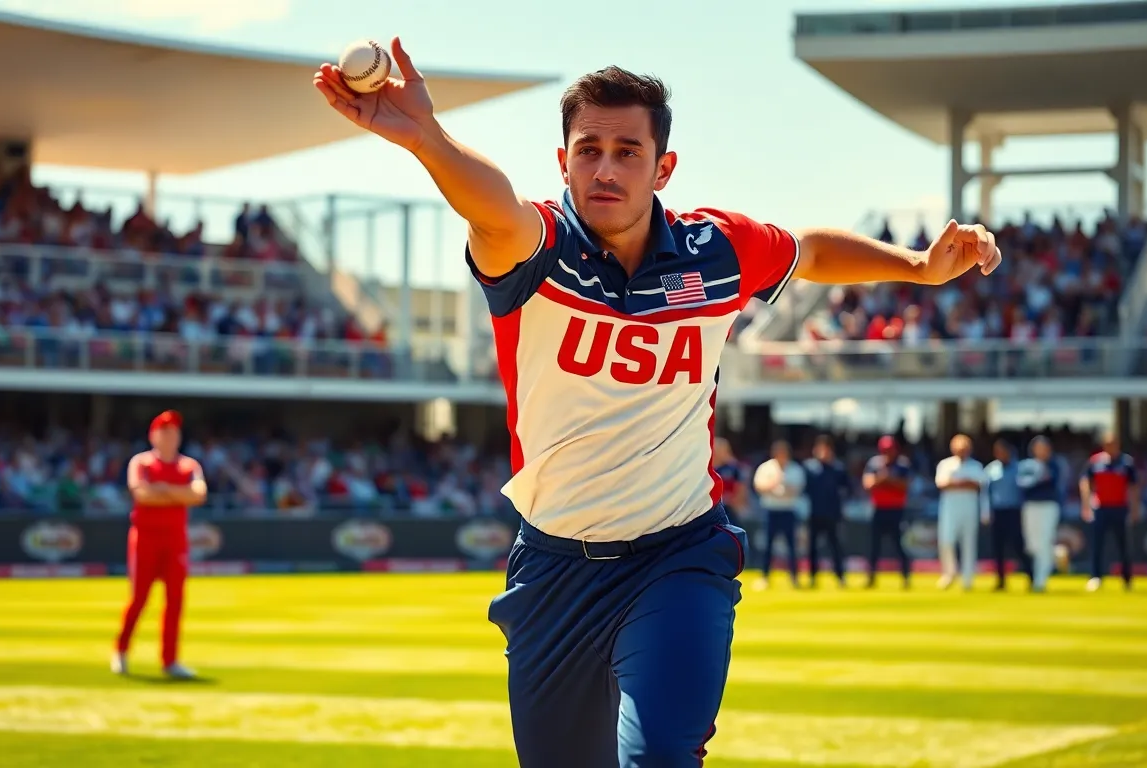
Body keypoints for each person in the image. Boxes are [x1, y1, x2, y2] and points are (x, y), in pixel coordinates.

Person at [313, 43, 1001, 767]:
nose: (605, 169)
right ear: (564, 162)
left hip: (679, 555)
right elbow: (491, 206)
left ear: (663, 168)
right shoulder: (535, 248)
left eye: (627, 152)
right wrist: (426, 136)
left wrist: (918, 267)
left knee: (661, 757)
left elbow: (811, 252)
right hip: (552, 570)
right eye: (589, 151)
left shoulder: (717, 251)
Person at [112, 410, 207, 679]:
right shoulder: (141, 462)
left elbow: (199, 495)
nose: (170, 437)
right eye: (165, 432)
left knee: (175, 599)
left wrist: (163, 490)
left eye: (174, 432)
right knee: (139, 598)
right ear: (153, 436)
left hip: (175, 538)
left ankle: (170, 660)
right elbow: (142, 495)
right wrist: (179, 495)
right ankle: (121, 650)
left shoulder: (189, 465)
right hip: (145, 537)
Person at [1080, 431, 1140, 592]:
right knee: (1097, 545)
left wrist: (1135, 509)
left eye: (1113, 444)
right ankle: (1096, 577)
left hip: (1120, 508)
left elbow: (1133, 487)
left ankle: (1127, 578)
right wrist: (1086, 505)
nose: (1110, 447)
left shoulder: (1126, 463)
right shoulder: (1095, 462)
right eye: (1107, 444)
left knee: (1124, 545)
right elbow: (1085, 482)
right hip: (1101, 508)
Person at [933, 434, 985, 591]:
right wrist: (964, 482)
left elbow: (977, 485)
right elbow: (942, 484)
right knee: (946, 540)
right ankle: (949, 573)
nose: (962, 452)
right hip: (950, 509)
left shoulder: (976, 466)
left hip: (969, 509)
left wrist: (956, 483)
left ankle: (967, 578)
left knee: (969, 543)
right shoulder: (945, 464)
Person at [863, 435, 915, 589]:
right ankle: (871, 578)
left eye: (890, 450)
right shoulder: (874, 464)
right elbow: (868, 484)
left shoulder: (902, 464)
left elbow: (906, 485)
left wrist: (889, 480)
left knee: (899, 545)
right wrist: (883, 479)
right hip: (878, 509)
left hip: (896, 510)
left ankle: (906, 577)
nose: (887, 453)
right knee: (874, 546)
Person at [753, 440, 806, 589]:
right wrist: (774, 485)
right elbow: (759, 486)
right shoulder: (766, 468)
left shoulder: (795, 469)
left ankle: (794, 577)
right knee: (768, 545)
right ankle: (765, 576)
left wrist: (782, 488)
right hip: (771, 510)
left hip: (788, 510)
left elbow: (796, 490)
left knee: (792, 546)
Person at [983, 439, 1032, 591]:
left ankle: (1031, 576)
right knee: (998, 548)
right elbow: (986, 493)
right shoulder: (991, 469)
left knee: (1018, 546)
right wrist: (986, 512)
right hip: (998, 511)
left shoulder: (1019, 468)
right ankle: (1001, 580)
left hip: (1014, 510)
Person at [802, 434, 849, 588]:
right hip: (814, 513)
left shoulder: (838, 468)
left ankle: (840, 576)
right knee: (812, 548)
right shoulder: (809, 468)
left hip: (833, 514)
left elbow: (847, 489)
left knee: (835, 547)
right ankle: (813, 577)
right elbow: (804, 489)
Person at [1017, 435, 1061, 593]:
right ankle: (1047, 565)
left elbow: (1052, 481)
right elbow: (1022, 484)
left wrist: (1038, 479)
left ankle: (1040, 580)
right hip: (1030, 506)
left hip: (1048, 506)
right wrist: (1038, 478)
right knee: (1032, 545)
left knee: (1044, 542)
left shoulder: (1054, 464)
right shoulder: (1026, 465)